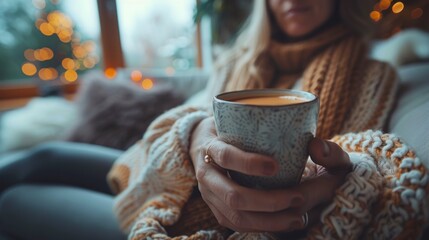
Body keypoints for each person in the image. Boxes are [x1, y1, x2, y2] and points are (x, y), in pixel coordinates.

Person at [0, 0, 427, 239]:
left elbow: (353, 156)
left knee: (17, 200)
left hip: (201, 217)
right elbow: (180, 122)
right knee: (43, 156)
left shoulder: (370, 76)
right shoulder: (238, 62)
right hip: (166, 174)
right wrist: (193, 133)